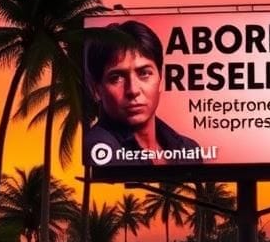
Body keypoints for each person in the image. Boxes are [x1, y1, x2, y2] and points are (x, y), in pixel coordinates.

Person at [84, 20, 201, 167]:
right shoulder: (99, 149)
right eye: (116, 78)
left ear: (161, 79)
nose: (133, 90)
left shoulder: (188, 148)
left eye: (144, 73)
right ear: (97, 90)